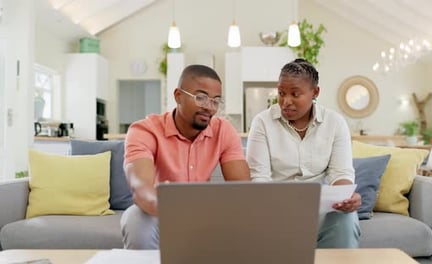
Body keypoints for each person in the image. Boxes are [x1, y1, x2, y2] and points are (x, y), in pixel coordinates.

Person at [121, 64, 250, 249]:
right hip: (159, 210)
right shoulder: (144, 130)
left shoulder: (223, 130)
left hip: (206, 210)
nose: (209, 107)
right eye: (201, 98)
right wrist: (182, 213)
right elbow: (142, 191)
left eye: (215, 101)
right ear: (178, 96)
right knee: (135, 219)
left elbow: (243, 190)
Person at [246, 58, 361, 248]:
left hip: (320, 211)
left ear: (315, 92)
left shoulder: (335, 123)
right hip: (274, 209)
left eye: (295, 94)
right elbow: (259, 178)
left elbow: (340, 174)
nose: (286, 102)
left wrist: (345, 197)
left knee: (346, 220)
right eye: (281, 93)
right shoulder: (262, 122)